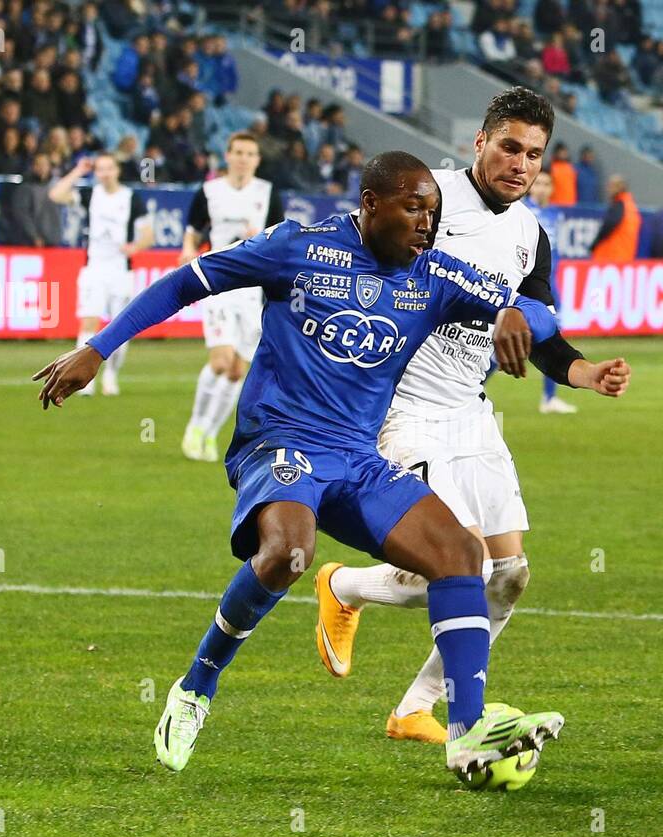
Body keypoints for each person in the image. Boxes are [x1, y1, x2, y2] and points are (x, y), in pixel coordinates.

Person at [32, 151, 626, 777]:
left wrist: (512, 312)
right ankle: (196, 687)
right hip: (280, 441)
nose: (427, 224)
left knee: (460, 554)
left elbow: (535, 312)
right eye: (413, 209)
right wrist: (97, 348)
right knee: (290, 551)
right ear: (370, 205)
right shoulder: (298, 249)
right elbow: (187, 281)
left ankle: (466, 732)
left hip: (357, 458)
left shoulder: (434, 276)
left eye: (433, 211)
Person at [314, 91, 632, 744]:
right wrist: (496, 307)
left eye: (535, 154)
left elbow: (539, 329)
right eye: (509, 146)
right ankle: (462, 719)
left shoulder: (530, 235)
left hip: (471, 413)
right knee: (465, 564)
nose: (521, 163)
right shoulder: (427, 197)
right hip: (402, 409)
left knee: (510, 575)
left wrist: (584, 372)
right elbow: (377, 264)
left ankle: (412, 704)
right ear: (479, 142)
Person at [179, 132, 284, 462]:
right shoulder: (210, 191)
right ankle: (195, 426)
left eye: (249, 153)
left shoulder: (267, 194)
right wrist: (187, 251)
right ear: (228, 155)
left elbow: (281, 240)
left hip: (252, 292)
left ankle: (209, 433)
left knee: (237, 370)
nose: (243, 158)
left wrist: (263, 239)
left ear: (256, 159)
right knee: (220, 361)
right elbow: (194, 229)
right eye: (237, 152)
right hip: (218, 285)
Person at [48, 152, 154, 397]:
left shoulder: (131, 198)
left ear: (117, 170)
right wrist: (77, 172)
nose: (104, 173)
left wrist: (135, 247)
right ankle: (82, 380)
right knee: (88, 322)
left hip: (120, 271)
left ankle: (111, 375)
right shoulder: (90, 195)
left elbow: (149, 235)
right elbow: (56, 195)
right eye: (100, 169)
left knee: (122, 327)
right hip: (94, 268)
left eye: (109, 168)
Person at [525, 167, 577, 415]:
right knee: (495, 348)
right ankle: (472, 388)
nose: (543, 189)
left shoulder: (556, 214)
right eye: (539, 184)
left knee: (553, 335)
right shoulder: (521, 211)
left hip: (551, 283)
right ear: (531, 186)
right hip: (527, 284)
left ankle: (549, 397)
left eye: (547, 184)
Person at [590, 174, 641, 262]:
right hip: (626, 255)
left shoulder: (619, 205)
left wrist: (594, 244)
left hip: (612, 255)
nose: (608, 189)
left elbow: (610, 224)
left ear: (619, 187)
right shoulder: (631, 206)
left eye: (611, 186)